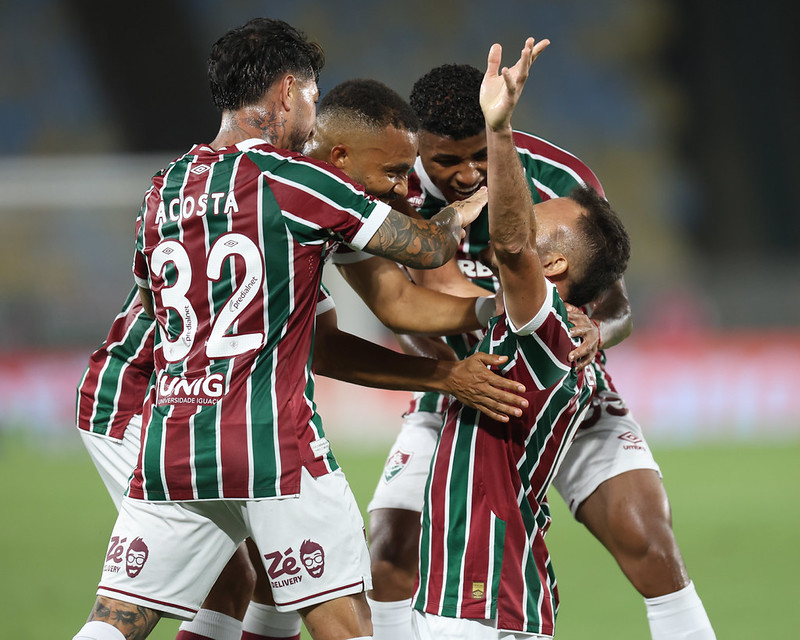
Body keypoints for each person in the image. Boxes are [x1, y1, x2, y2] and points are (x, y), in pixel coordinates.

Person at [71, 17, 495, 640]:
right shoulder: (298, 184)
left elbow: (150, 297)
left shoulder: (165, 188)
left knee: (138, 616)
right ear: (290, 91)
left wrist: (479, 320)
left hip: (176, 433)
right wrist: (464, 210)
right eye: (314, 96)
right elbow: (428, 248)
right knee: (339, 619)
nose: (314, 115)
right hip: (260, 436)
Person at [366, 60, 715, 640]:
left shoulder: (558, 181)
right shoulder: (394, 184)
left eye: (480, 155)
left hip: (557, 381)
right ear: (418, 142)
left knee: (650, 543)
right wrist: (463, 362)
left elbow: (617, 305)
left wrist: (596, 331)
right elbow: (415, 303)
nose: (467, 174)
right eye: (446, 160)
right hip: (457, 380)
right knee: (387, 553)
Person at [413, 37, 632, 638]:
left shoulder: (541, 332)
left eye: (539, 221)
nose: (518, 216)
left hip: (482, 592)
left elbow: (510, 246)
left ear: (554, 267)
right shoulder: (531, 333)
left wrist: (500, 128)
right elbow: (436, 289)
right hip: (497, 587)